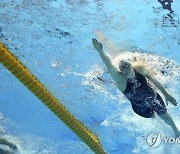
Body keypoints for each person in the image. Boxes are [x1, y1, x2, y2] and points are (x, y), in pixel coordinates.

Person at [92, 37, 180, 137]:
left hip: (153, 97)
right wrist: (100, 51)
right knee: (152, 117)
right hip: (139, 107)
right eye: (122, 68)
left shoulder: (139, 69)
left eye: (126, 66)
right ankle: (161, 127)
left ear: (131, 65)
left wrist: (166, 94)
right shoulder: (121, 81)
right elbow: (109, 65)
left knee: (166, 117)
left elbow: (153, 80)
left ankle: (177, 132)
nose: (124, 69)